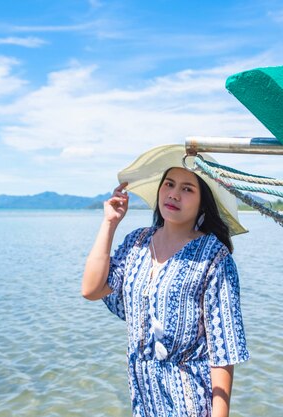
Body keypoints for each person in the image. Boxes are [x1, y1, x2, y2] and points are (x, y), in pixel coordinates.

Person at [82, 145, 249, 417]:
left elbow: (223, 348)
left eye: (187, 189)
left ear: (202, 202)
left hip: (190, 398)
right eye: (169, 184)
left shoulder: (213, 257)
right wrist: (109, 224)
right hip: (143, 397)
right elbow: (91, 289)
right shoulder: (138, 242)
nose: (174, 194)